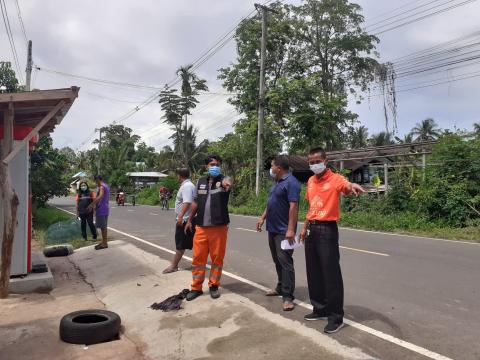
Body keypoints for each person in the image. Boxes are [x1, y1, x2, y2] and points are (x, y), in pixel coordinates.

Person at [299, 147, 365, 334]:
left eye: (317, 161)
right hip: (312, 227)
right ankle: (320, 309)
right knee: (314, 272)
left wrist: (352, 187)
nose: (314, 165)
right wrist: (304, 227)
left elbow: (346, 185)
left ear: (325, 161)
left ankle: (336, 317)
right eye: (310, 162)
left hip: (327, 230)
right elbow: (311, 207)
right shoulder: (311, 181)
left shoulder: (335, 178)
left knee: (331, 274)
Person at [184, 154, 232, 301]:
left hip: (219, 227)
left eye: (217, 164)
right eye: (212, 165)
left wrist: (227, 184)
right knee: (198, 259)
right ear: (206, 167)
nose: (215, 167)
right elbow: (195, 203)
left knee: (217, 259)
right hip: (201, 227)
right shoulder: (200, 182)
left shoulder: (223, 179)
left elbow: (228, 182)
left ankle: (214, 285)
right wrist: (189, 219)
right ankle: (196, 288)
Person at [256, 156, 300, 312]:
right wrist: (262, 218)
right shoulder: (277, 183)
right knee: (277, 260)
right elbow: (271, 203)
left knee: (286, 262)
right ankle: (280, 287)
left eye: (272, 166)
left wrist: (290, 229)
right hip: (272, 229)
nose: (271, 168)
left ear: (279, 168)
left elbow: (293, 207)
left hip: (284, 231)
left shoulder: (291, 183)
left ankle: (288, 297)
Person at [163, 168, 197, 274]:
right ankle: (197, 263)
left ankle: (174, 266)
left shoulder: (187, 186)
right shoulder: (188, 185)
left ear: (179, 176)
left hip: (185, 220)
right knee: (193, 242)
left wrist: (181, 217)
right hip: (188, 219)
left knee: (180, 244)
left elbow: (187, 202)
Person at [88, 175, 110, 250]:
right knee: (104, 227)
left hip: (101, 209)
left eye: (95, 181)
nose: (95, 182)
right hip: (106, 209)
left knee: (102, 227)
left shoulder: (101, 187)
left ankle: (104, 243)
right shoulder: (106, 186)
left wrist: (91, 204)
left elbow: (100, 196)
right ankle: (104, 242)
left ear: (98, 179)